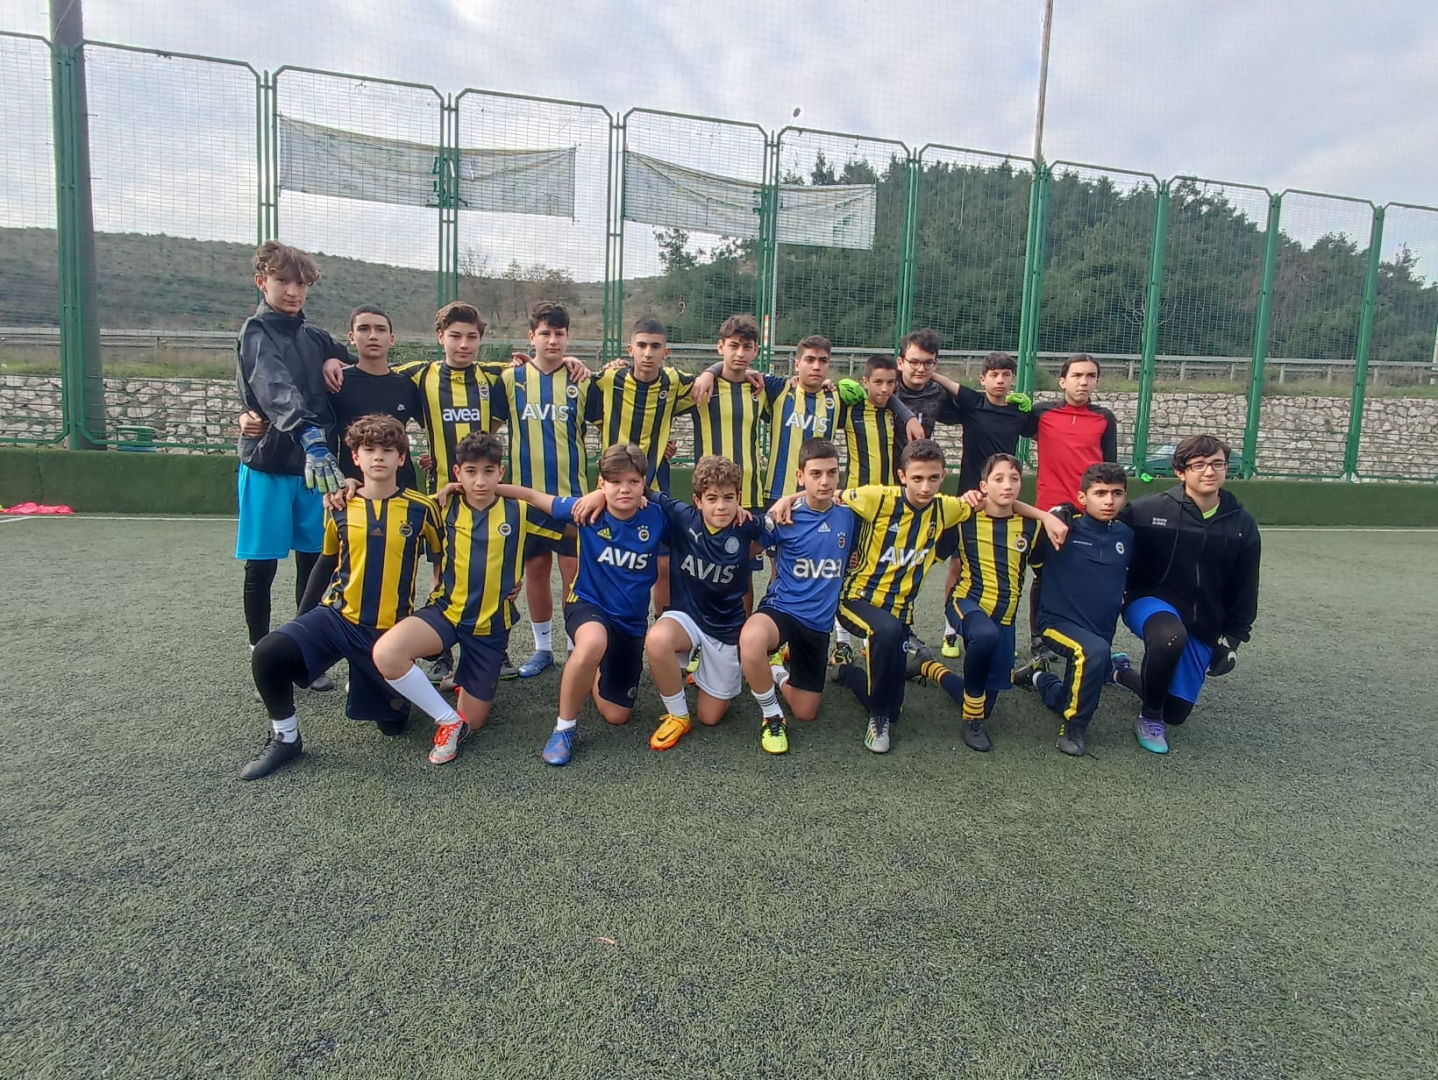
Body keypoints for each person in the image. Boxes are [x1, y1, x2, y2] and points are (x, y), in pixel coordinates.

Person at [239, 414, 441, 779]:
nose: (378, 457)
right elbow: (326, 562)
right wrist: (303, 616)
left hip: (387, 634)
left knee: (393, 727)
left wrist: (433, 621)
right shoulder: (340, 505)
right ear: (355, 457)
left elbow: (444, 563)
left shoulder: (422, 508)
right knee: (268, 653)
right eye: (369, 449)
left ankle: (378, 682)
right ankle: (286, 737)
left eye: (387, 450)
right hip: (337, 617)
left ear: (401, 458)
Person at [831, 443, 1066, 753]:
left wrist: (1046, 517)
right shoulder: (880, 497)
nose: (924, 487)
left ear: (943, 476)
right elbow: (828, 494)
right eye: (917, 478)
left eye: (933, 478)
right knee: (886, 635)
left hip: (903, 611)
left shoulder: (948, 509)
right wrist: (787, 502)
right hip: (859, 598)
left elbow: (1002, 502)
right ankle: (878, 721)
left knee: (897, 705)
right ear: (902, 476)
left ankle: (852, 671)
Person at [370, 432, 538, 766]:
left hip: (490, 625)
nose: (480, 481)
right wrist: (348, 487)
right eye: (471, 472)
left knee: (476, 721)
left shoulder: (520, 511)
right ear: (458, 473)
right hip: (445, 612)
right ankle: (448, 721)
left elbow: (570, 517)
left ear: (501, 472)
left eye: (488, 471)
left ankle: (462, 682)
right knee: (387, 653)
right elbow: (388, 505)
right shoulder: (440, 507)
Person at [499, 444, 668, 766]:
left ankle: (592, 669)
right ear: (601, 483)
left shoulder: (657, 517)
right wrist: (475, 487)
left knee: (616, 715)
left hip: (630, 624)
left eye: (633, 482)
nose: (624, 489)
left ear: (644, 483)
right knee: (591, 642)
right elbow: (532, 496)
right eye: (614, 482)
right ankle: (564, 729)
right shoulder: (585, 510)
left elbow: (696, 523)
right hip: (587, 605)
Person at [234, 241, 351, 692]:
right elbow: (274, 386)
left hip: (314, 470)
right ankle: (261, 658)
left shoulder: (316, 336)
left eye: (301, 283)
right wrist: (309, 435)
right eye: (282, 280)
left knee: (314, 563)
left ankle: (304, 654)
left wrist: (336, 356)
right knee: (262, 566)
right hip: (269, 464)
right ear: (261, 282)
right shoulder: (255, 331)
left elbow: (352, 360)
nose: (292, 291)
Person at [1113, 435, 1261, 755]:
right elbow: (1103, 528)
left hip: (1204, 619)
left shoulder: (1242, 523)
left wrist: (1232, 640)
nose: (1209, 471)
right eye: (1199, 465)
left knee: (1176, 711)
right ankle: (1150, 719)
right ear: (1180, 472)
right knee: (1169, 636)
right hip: (1150, 601)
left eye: (1218, 464)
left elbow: (1246, 586)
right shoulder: (1148, 510)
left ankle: (1120, 672)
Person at [913, 452, 1066, 752]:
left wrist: (1046, 517)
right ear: (984, 486)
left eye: (1014, 478)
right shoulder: (964, 519)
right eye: (999, 478)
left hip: (1004, 617)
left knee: (982, 701)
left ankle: (928, 667)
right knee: (984, 635)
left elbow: (1043, 574)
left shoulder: (1031, 527)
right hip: (965, 602)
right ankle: (971, 722)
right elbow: (928, 558)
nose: (1007, 485)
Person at [495, 301, 601, 678]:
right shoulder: (510, 379)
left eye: (559, 334)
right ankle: (542, 649)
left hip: (574, 499)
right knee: (536, 570)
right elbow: (489, 430)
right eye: (545, 333)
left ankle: (575, 646)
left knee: (574, 573)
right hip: (526, 500)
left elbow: (610, 426)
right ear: (531, 337)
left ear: (568, 338)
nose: (552, 340)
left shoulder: (582, 381)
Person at [737, 439, 857, 755]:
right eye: (816, 474)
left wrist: (791, 495)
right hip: (783, 610)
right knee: (751, 639)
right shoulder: (784, 516)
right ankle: (771, 715)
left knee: (806, 711)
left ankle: (776, 671)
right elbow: (745, 552)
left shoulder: (850, 516)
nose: (825, 481)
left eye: (832, 473)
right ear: (800, 475)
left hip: (818, 625)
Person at [1011, 462, 1133, 756]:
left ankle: (1038, 676)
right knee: (1094, 653)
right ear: (1082, 497)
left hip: (1100, 629)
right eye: (1100, 493)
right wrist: (1051, 514)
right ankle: (1075, 727)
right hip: (1057, 623)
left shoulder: (1127, 535)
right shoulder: (1062, 528)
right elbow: (1006, 506)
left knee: (1069, 695)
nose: (1109, 501)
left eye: (1116, 493)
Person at [644, 455, 763, 750]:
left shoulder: (748, 525)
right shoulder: (683, 516)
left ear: (739, 498)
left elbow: (782, 524)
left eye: (728, 498)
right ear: (697, 500)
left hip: (724, 629)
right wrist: (598, 494)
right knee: (657, 638)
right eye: (712, 498)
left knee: (710, 718)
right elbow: (641, 489)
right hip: (686, 618)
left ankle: (710, 672)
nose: (721, 506)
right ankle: (678, 716)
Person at [240, 305, 423, 497]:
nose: (372, 336)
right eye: (363, 329)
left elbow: (435, 421)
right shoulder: (335, 383)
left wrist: (431, 456)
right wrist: (246, 414)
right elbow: (285, 398)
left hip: (404, 489)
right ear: (351, 337)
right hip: (349, 490)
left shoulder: (408, 385)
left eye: (380, 329)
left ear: (391, 339)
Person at [926, 351, 1038, 657]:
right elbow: (946, 383)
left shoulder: (1019, 413)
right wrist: (926, 370)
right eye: (994, 375)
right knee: (958, 563)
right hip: (970, 499)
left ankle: (1000, 628)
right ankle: (951, 632)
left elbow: (1045, 425)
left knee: (1005, 566)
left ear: (1012, 379)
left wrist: (1031, 407)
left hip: (1003, 501)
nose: (1000, 380)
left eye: (1006, 375)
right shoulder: (973, 403)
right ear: (983, 378)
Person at [593, 317, 697, 615]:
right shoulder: (609, 379)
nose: (648, 353)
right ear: (630, 350)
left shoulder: (674, 382)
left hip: (654, 485)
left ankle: (663, 624)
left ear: (666, 352)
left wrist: (713, 371)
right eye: (641, 345)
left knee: (663, 564)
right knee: (610, 560)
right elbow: (577, 382)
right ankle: (608, 622)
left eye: (655, 346)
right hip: (614, 487)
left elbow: (714, 379)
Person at [1027, 353, 1119, 661]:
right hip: (1050, 512)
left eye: (1090, 376)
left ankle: (1085, 638)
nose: (1084, 382)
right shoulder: (1041, 413)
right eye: (1077, 375)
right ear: (1062, 381)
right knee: (1044, 577)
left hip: (1089, 515)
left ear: (1097, 382)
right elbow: (1003, 423)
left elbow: (1110, 469)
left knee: (1088, 578)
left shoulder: (1104, 418)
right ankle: (1039, 639)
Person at [892, 327, 961, 455]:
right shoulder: (888, 390)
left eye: (928, 363)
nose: (921, 369)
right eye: (914, 362)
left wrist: (938, 378)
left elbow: (969, 410)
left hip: (920, 464)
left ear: (935, 364)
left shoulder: (938, 393)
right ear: (900, 363)